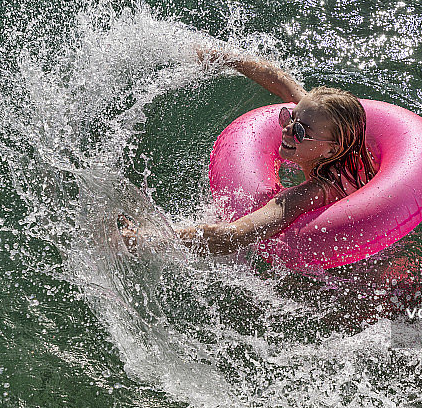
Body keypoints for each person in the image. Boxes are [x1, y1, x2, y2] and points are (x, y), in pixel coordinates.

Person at [123, 47, 377, 255]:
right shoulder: (339, 139)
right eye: (289, 117)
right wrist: (229, 58)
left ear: (331, 149)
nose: (288, 129)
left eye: (301, 131)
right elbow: (281, 82)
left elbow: (234, 237)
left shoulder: (310, 193)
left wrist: (144, 238)